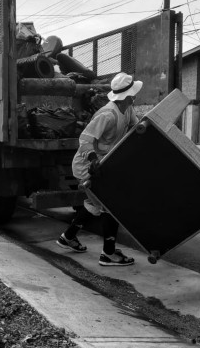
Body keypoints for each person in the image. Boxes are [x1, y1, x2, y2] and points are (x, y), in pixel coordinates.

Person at [56, 72, 143, 266]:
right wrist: (94, 160)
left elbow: (136, 128)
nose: (135, 96)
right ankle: (108, 254)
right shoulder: (107, 114)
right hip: (87, 165)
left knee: (95, 205)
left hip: (103, 164)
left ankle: (67, 238)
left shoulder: (127, 109)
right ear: (128, 95)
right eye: (133, 93)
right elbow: (85, 139)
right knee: (110, 205)